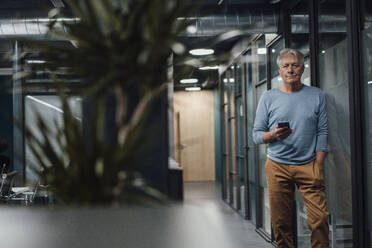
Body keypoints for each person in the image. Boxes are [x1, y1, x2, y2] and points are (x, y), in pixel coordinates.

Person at [252, 48, 329, 248]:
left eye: (295, 65)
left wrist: (318, 164)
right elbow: (256, 135)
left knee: (319, 220)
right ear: (279, 70)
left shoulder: (316, 95)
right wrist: (273, 135)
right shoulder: (268, 98)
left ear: (302, 69)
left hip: (309, 164)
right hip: (277, 166)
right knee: (280, 223)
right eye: (286, 66)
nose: (290, 69)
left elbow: (322, 131)